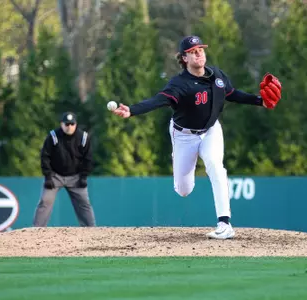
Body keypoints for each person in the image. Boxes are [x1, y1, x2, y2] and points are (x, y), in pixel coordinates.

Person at [112, 35, 282, 239]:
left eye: (200, 49)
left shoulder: (217, 76)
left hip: (211, 131)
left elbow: (232, 94)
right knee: (183, 190)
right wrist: (132, 110)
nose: (198, 53)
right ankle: (180, 164)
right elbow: (158, 100)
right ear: (184, 58)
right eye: (193, 52)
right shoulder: (180, 84)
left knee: (216, 166)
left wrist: (259, 101)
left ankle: (224, 223)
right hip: (184, 136)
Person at [33, 112, 96, 227]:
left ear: (76, 124)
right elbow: (45, 156)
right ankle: (36, 230)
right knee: (45, 201)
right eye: (66, 124)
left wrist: (83, 176)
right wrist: (48, 176)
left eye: (72, 124)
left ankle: (91, 231)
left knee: (84, 203)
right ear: (61, 124)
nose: (69, 127)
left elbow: (88, 158)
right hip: (55, 176)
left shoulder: (83, 137)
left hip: (76, 177)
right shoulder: (53, 136)